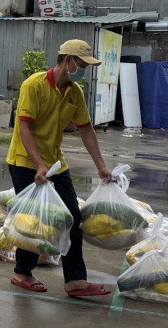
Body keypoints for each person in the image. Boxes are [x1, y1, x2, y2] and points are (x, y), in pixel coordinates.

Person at [7, 39, 112, 297]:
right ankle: (22, 272)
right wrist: (38, 165)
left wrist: (101, 166)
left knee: (72, 217)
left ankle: (75, 281)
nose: (83, 70)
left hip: (55, 162)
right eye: (82, 64)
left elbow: (86, 130)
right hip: (25, 162)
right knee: (36, 220)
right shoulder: (34, 85)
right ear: (68, 61)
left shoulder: (74, 93)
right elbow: (24, 127)